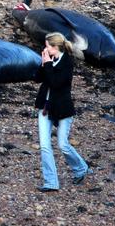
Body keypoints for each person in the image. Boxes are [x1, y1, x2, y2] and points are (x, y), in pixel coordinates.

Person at [33, 32, 89, 192]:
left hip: (63, 109)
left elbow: (56, 83)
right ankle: (51, 182)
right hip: (45, 108)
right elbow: (37, 79)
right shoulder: (48, 61)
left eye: (48, 46)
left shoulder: (67, 62)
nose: (45, 48)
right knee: (44, 146)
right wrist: (43, 64)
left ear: (56, 47)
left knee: (63, 144)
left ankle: (80, 168)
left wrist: (48, 64)